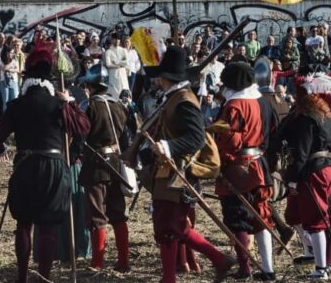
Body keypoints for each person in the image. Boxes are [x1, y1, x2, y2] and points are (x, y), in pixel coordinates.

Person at [129, 45, 236, 283]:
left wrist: (167, 147)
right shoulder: (173, 98)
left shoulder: (184, 100)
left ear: (166, 77)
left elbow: (196, 138)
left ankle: (217, 258)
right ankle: (180, 273)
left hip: (178, 173)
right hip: (166, 171)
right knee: (167, 227)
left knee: (172, 226)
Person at [0, 41, 90, 283]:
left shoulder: (16, 105)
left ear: (26, 78)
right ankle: (44, 277)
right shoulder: (59, 104)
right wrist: (70, 103)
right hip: (54, 167)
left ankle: (23, 277)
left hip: (25, 165)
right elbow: (84, 127)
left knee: (24, 223)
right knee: (47, 226)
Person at [210, 61, 276, 280]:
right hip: (260, 162)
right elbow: (271, 130)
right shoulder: (263, 102)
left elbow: (229, 139)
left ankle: (245, 268)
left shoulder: (234, 105)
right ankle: (268, 269)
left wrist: (221, 160)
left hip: (238, 166)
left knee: (237, 216)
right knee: (260, 216)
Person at [277, 76, 331, 280]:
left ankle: (322, 268)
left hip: (313, 171)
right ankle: (311, 251)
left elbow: (302, 152)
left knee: (315, 220)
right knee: (295, 214)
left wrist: (292, 179)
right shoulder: (326, 115)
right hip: (323, 169)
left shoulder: (307, 118)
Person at [79, 65, 132, 272]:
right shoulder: (119, 105)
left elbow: (81, 135)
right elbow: (127, 137)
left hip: (95, 164)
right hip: (115, 162)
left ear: (91, 87)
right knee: (118, 213)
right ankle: (123, 261)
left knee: (97, 215)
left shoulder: (88, 106)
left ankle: (98, 263)